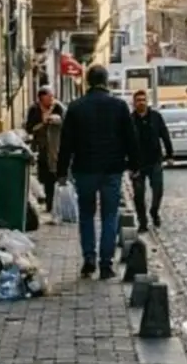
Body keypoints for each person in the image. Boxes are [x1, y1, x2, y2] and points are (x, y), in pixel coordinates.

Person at [56, 65, 142, 280]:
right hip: (112, 169)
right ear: (106, 81)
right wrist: (135, 165)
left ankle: (89, 259)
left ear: (87, 81)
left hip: (84, 168)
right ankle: (106, 263)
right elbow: (131, 138)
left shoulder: (75, 108)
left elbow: (66, 143)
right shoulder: (119, 106)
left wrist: (61, 171)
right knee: (109, 215)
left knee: (86, 214)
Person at [130, 90, 174, 233]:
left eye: (143, 100)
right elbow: (124, 140)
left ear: (147, 101)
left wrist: (169, 154)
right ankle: (142, 222)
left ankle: (154, 211)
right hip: (137, 163)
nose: (141, 102)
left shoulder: (156, 117)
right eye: (138, 100)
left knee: (158, 190)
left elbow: (164, 135)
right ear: (134, 103)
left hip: (155, 160)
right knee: (138, 195)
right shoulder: (130, 120)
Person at [24, 86, 64, 212]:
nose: (52, 100)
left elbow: (66, 121)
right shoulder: (34, 110)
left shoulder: (58, 107)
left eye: (52, 96)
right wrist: (43, 123)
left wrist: (58, 119)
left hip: (57, 147)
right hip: (42, 149)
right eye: (49, 97)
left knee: (58, 176)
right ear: (41, 99)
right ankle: (50, 204)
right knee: (47, 178)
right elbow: (29, 128)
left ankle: (59, 205)